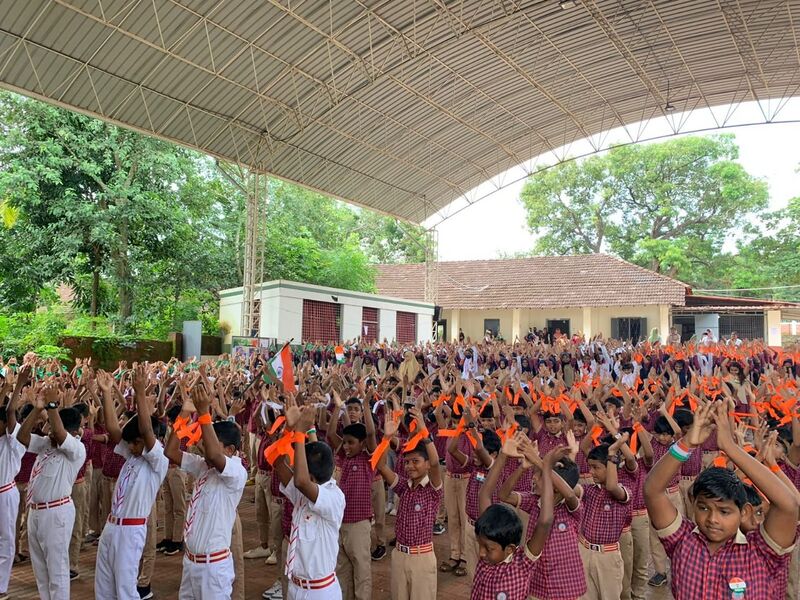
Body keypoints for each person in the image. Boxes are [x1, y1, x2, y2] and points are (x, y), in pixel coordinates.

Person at [644, 401, 799, 600]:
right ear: (693, 504)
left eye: (724, 511)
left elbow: (789, 506)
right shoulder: (683, 542)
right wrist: (687, 443)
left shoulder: (762, 552)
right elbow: (652, 490)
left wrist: (730, 448)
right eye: (703, 508)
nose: (712, 519)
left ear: (744, 512)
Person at [163, 383, 247, 599]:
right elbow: (171, 452)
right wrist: (184, 414)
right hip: (191, 563)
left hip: (214, 568)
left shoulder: (236, 470)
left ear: (230, 450)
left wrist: (203, 413)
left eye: (213, 442)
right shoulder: (202, 465)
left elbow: (214, 455)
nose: (203, 445)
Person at [94, 366, 169, 599]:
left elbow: (146, 429)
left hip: (131, 529)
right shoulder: (132, 454)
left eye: (136, 443)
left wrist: (139, 394)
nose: (131, 447)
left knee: (125, 589)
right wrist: (106, 392)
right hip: (112, 526)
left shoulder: (157, 460)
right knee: (104, 586)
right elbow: (114, 430)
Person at [16, 383, 86, 600]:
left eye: (52, 425)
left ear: (70, 430)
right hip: (36, 512)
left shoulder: (76, 447)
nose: (48, 429)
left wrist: (53, 405)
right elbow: (21, 437)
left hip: (56, 513)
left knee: (56, 570)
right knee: (41, 571)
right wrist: (37, 408)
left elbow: (59, 431)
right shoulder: (46, 444)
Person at [469, 435, 559, 600]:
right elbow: (484, 495)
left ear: (510, 549)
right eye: (480, 545)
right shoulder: (488, 554)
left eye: (488, 548)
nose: (481, 553)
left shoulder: (523, 564)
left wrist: (545, 470)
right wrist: (503, 455)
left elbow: (545, 521)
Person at [273, 395, 345, 600]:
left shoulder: (333, 496)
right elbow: (277, 462)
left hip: (320, 592)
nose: (295, 470)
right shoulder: (304, 493)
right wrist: (289, 429)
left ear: (311, 476)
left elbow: (301, 481)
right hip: (296, 587)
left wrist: (300, 433)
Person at [375, 405, 442, 600]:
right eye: (407, 462)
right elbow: (380, 466)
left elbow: (437, 463)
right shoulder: (403, 486)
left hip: (422, 558)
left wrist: (424, 432)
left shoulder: (432, 490)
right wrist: (387, 438)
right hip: (399, 555)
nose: (410, 466)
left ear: (426, 464)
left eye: (416, 461)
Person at [326, 393, 378, 600]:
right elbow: (331, 433)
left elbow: (372, 434)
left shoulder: (368, 458)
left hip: (359, 524)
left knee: (361, 569)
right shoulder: (343, 456)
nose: (346, 446)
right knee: (342, 569)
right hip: (340, 522)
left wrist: (366, 406)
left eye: (351, 442)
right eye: (345, 442)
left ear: (362, 444)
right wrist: (338, 408)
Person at [580, 436, 632, 600]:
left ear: (610, 467)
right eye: (590, 467)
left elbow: (611, 486)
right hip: (585, 551)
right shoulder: (589, 490)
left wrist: (611, 453)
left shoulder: (624, 492)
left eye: (596, 467)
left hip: (607, 558)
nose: (591, 472)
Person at [0, 366, 29, 600]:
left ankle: (1, 587)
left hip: (5, 493)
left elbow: (10, 412)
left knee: (6, 541)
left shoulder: (14, 439)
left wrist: (18, 384)